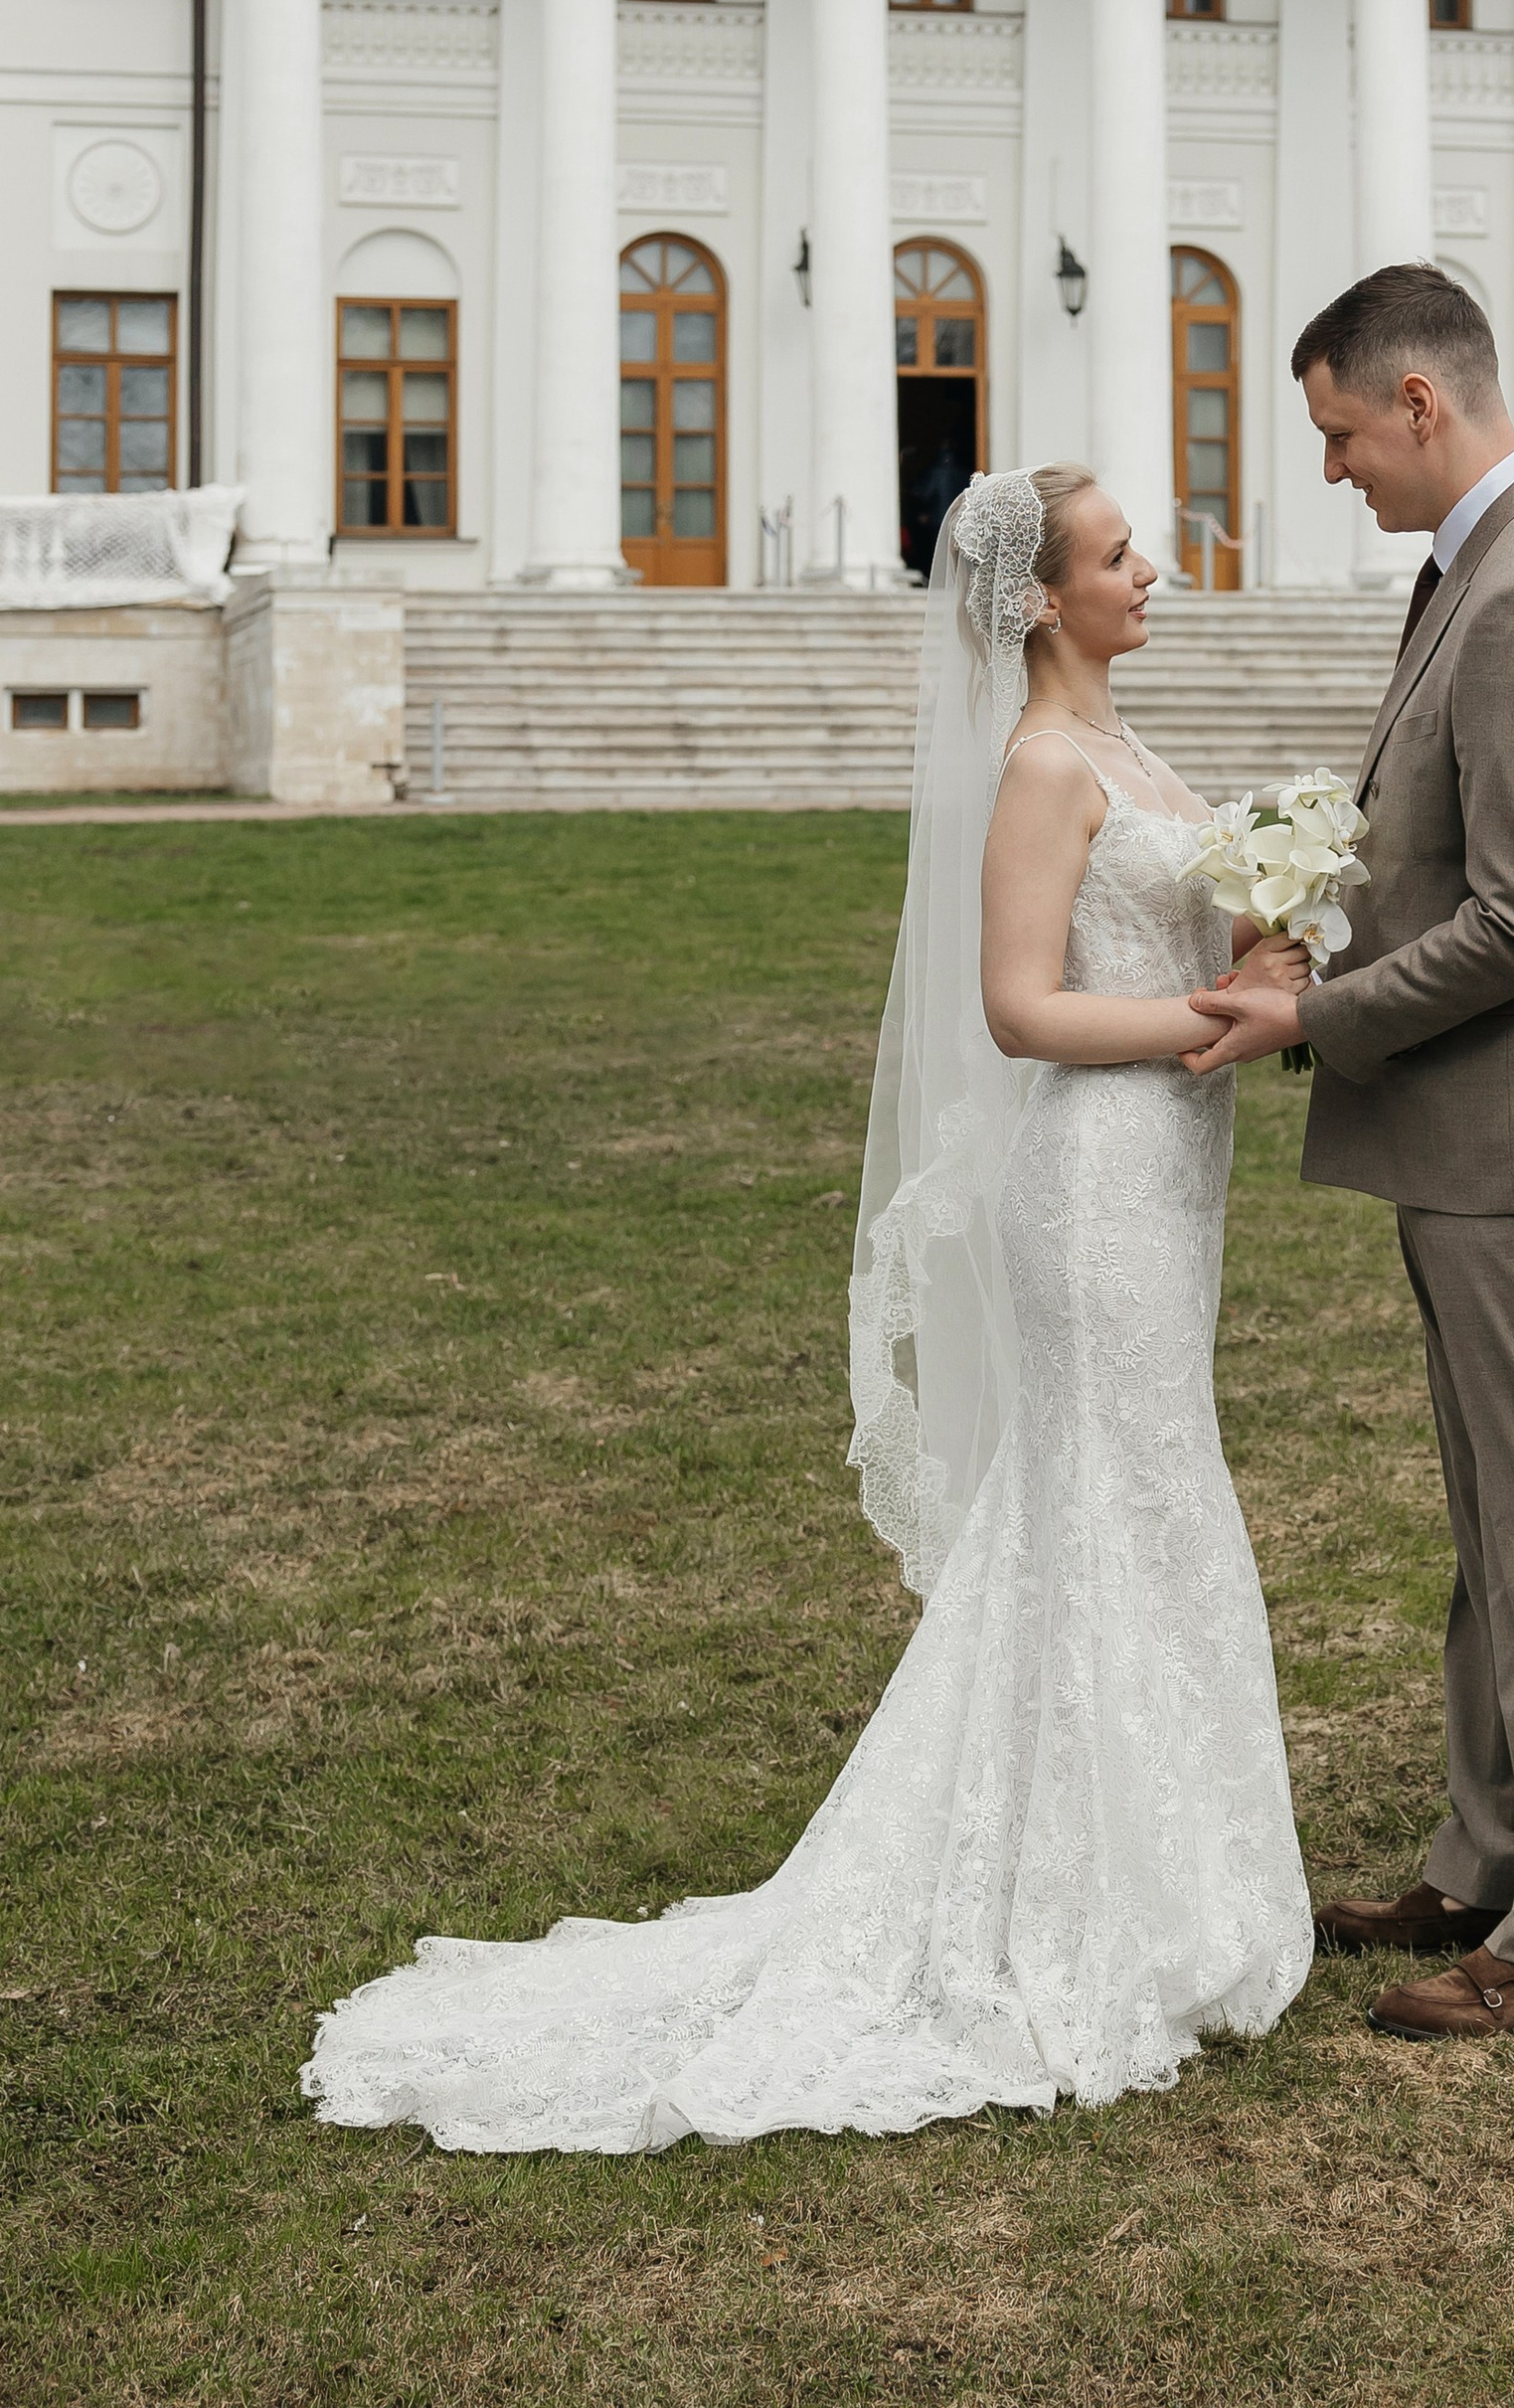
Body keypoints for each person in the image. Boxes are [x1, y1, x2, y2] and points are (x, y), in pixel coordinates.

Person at [305, 465, 1313, 2149]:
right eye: (1120, 555)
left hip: (1168, 1173)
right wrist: (1221, 1027)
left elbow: (1183, 933)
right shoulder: (1045, 766)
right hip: (1091, 1179)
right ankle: (1089, 1901)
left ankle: (1161, 1869)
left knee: (1142, 1482)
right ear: (1043, 601)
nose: (1156, 571)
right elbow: (1017, 1010)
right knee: (1113, 1488)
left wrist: (1274, 938)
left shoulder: (1137, 752)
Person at [1185, 264, 1514, 2043]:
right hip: (1481, 1131)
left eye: (1335, 432)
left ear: (1419, 402)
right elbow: (1441, 851)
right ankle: (1486, 1861)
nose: (1330, 469)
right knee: (1491, 1524)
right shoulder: (1480, 565)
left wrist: (1312, 1020)